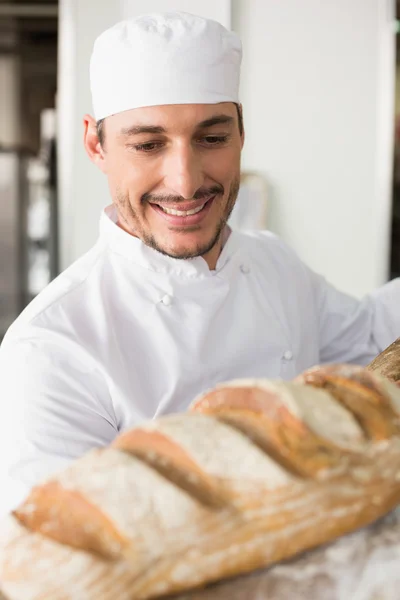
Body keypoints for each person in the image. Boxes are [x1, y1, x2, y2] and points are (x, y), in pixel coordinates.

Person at [0, 11, 399, 516]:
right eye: (148, 144)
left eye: (212, 138)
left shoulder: (271, 261)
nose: (185, 182)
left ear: (241, 134)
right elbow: (53, 565)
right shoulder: (52, 347)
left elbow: (368, 338)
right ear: (95, 145)